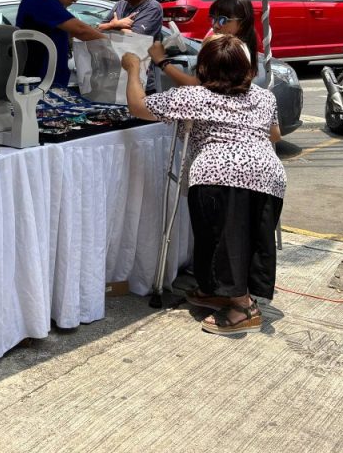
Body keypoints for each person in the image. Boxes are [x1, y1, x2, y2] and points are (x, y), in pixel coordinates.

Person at [121, 35, 285, 335]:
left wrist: (133, 69)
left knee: (221, 240)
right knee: (247, 238)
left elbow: (138, 106)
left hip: (221, 173)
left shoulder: (195, 97)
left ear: (204, 69)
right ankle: (225, 291)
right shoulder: (265, 97)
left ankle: (242, 306)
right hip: (267, 174)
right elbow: (275, 134)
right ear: (247, 69)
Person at [15, 0, 105, 86]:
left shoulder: (45, 0)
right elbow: (81, 30)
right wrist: (114, 46)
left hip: (49, 84)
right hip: (38, 85)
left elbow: (68, 32)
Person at [151, 0, 257, 88]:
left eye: (222, 20)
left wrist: (161, 61)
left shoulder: (228, 53)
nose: (215, 26)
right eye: (213, 19)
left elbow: (193, 85)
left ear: (242, 23)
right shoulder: (244, 48)